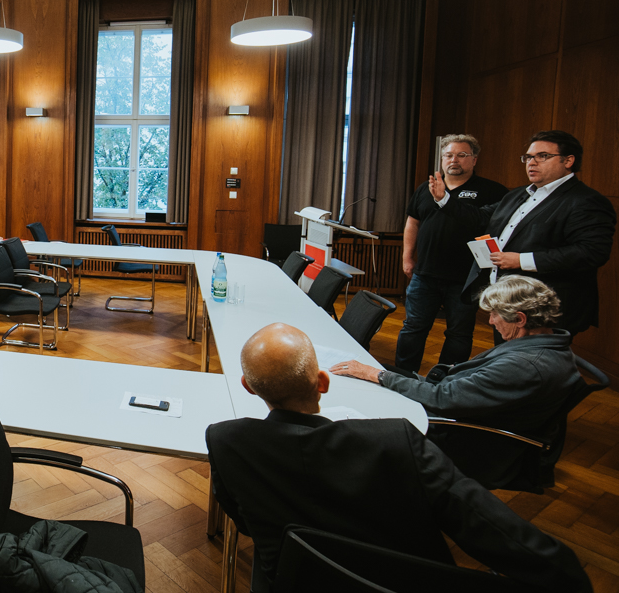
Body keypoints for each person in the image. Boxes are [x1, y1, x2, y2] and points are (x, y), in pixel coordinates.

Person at [206, 323, 590, 592]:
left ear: (249, 388)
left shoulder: (225, 440)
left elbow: (246, 521)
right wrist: (566, 574)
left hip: (290, 580)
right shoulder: (394, 439)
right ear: (322, 382)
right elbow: (485, 525)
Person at [333, 276, 581, 488]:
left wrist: (379, 376)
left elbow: (443, 399)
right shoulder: (548, 344)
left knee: (355, 424)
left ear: (520, 319)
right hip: (461, 407)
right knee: (374, 375)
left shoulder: (526, 366)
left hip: (461, 434)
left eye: (494, 315)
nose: (492, 321)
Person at [429, 129, 616, 337]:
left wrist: (521, 260)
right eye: (528, 157)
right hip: (506, 302)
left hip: (543, 311)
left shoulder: (585, 201)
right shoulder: (518, 194)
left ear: (568, 160)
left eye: (542, 156)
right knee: (506, 362)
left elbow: (591, 252)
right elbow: (480, 218)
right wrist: (444, 199)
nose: (531, 162)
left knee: (534, 367)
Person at [395, 134, 508, 371]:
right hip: (425, 273)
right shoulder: (425, 188)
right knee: (413, 327)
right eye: (448, 155)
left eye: (461, 155)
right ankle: (403, 375)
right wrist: (407, 257)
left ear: (474, 160)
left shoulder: (492, 191)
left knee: (459, 333)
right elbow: (412, 222)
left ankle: (445, 379)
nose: (453, 160)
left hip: (466, 278)